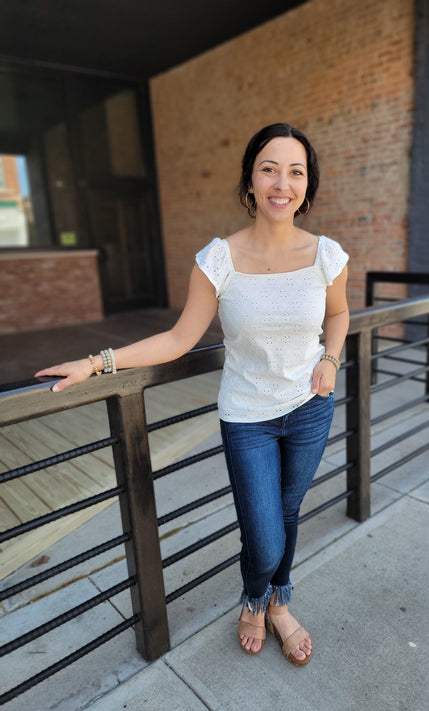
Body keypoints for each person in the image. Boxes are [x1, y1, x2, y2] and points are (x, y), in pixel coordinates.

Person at [36, 123, 349, 667]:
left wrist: (330, 357)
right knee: (267, 537)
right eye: (269, 169)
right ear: (250, 182)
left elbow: (340, 313)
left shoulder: (326, 255)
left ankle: (276, 604)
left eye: (295, 172)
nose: (282, 183)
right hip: (248, 417)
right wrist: (97, 363)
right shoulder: (219, 259)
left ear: (307, 185)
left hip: (310, 409)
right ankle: (255, 596)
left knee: (288, 512)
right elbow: (180, 339)